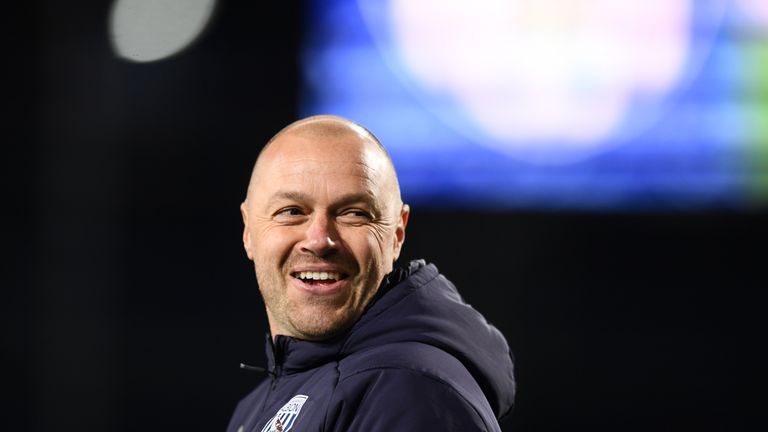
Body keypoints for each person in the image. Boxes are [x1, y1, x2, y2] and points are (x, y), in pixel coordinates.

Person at [227, 115, 515, 432]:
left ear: (397, 235)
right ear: (248, 230)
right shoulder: (259, 405)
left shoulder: (411, 392)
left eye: (354, 213)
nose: (319, 240)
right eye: (292, 212)